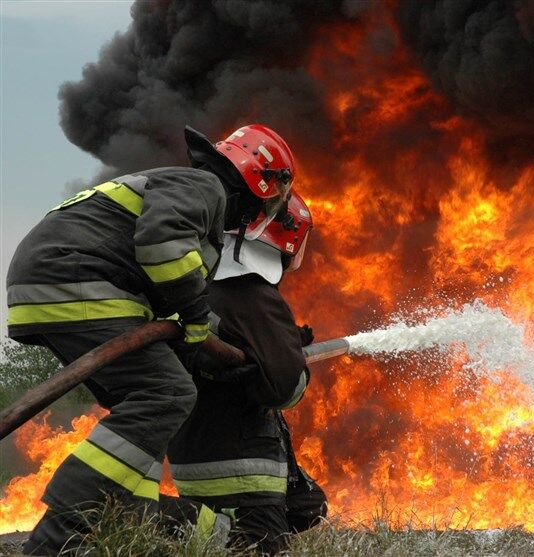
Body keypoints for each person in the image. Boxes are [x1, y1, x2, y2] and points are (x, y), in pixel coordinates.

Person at [7, 123, 295, 555]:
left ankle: (122, 518)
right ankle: (60, 533)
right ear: (260, 181)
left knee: (142, 413)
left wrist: (208, 345)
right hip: (77, 278)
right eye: (272, 200)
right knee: (168, 393)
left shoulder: (185, 190)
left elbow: (164, 295)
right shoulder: (205, 187)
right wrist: (197, 319)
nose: (263, 212)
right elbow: (162, 247)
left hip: (54, 283)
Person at [167, 189, 327, 555]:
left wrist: (282, 344)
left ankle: (208, 531)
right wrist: (294, 364)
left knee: (308, 506)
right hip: (242, 468)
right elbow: (285, 388)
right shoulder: (252, 293)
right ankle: (172, 522)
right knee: (258, 547)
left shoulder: (199, 289)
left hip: (193, 457)